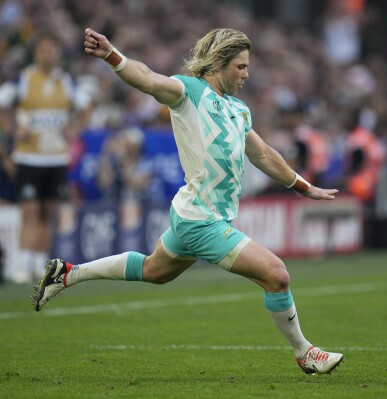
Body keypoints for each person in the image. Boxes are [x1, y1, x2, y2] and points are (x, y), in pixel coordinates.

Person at [33, 27, 344, 375]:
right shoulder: (190, 92)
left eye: (247, 66)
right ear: (219, 64)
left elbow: (265, 155)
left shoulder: (238, 110)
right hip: (200, 220)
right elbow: (149, 79)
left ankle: (67, 274)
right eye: (240, 66)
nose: (246, 73)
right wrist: (111, 54)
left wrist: (303, 186)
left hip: (196, 213)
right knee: (277, 275)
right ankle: (305, 353)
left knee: (153, 271)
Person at [0, 31, 94, 283]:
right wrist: (12, 129)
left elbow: (86, 106)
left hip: (56, 158)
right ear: (36, 52)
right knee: (29, 210)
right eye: (45, 49)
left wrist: (73, 130)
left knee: (47, 212)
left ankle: (39, 263)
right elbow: (3, 104)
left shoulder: (66, 82)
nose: (49, 54)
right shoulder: (24, 80)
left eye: (53, 49)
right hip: (29, 157)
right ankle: (22, 263)